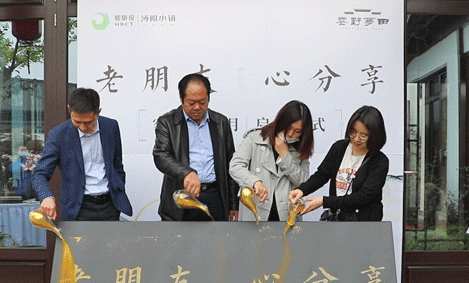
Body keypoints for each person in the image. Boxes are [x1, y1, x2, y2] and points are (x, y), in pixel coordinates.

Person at [33, 87, 132, 221]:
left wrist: (118, 187)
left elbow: (117, 164)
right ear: (69, 109)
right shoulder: (58, 135)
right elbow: (39, 174)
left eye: (88, 122)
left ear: (98, 112)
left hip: (110, 204)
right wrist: (46, 197)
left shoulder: (111, 126)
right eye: (77, 122)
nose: (83, 127)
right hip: (78, 207)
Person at [153, 73, 238, 221]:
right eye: (191, 102)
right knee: (180, 236)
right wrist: (186, 173)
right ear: (181, 99)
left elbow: (230, 163)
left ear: (208, 98)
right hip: (182, 196)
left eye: (202, 102)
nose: (197, 107)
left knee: (216, 235)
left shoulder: (220, 122)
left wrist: (233, 204)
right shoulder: (167, 122)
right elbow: (161, 156)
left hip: (215, 196)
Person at [288, 105, 388, 221]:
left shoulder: (379, 161)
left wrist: (324, 201)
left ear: (375, 135)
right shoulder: (339, 148)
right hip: (338, 219)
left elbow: (362, 197)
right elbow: (321, 175)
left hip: (364, 222)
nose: (356, 139)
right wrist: (302, 190)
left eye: (363, 135)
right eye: (353, 132)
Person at [229, 100, 314, 221]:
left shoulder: (302, 148)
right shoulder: (255, 137)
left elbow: (303, 182)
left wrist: (285, 155)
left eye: (297, 131)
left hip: (286, 215)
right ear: (281, 122)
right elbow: (235, 166)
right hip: (255, 210)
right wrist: (254, 181)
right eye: (288, 128)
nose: (290, 134)